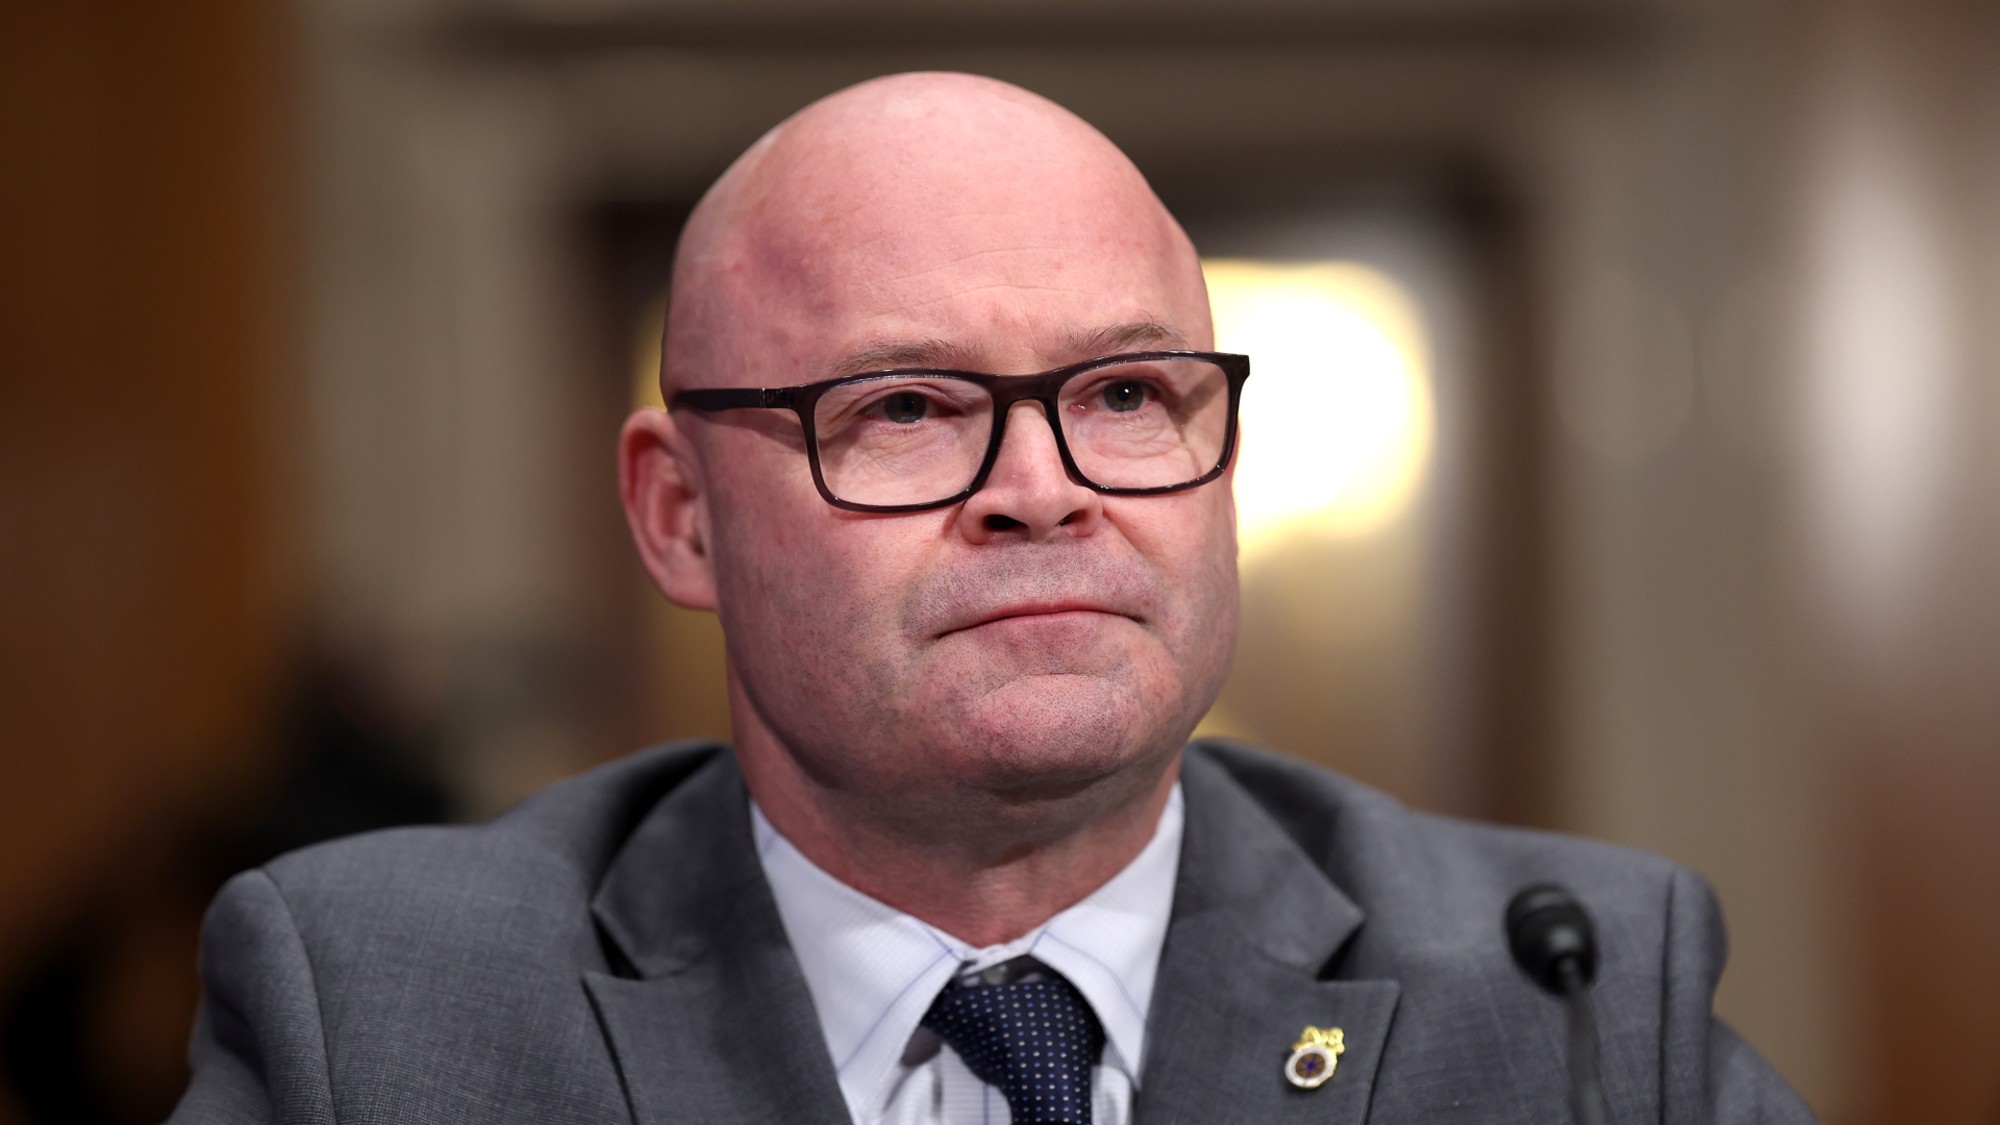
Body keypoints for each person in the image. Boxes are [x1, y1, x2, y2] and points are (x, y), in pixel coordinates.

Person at [169, 73, 1817, 1124]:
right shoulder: (381, 1014)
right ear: (679, 517)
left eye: (1123, 395)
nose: (1045, 485)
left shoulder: (1575, 994)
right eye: (907, 407)